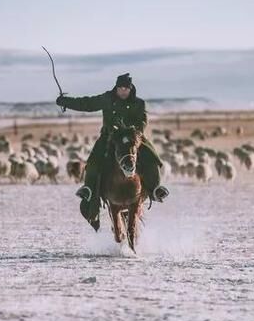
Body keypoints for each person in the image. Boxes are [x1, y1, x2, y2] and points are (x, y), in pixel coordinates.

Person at [56, 73, 169, 231]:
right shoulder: (107, 98)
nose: (123, 91)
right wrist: (65, 102)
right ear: (116, 87)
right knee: (94, 161)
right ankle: (88, 189)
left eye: (126, 89)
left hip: (132, 138)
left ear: (130, 89)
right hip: (109, 138)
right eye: (120, 88)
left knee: (151, 158)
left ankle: (156, 189)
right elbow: (87, 104)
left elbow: (143, 121)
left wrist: (135, 133)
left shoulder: (139, 103)